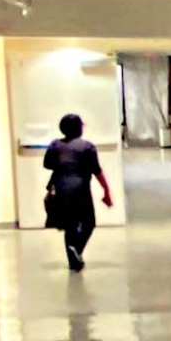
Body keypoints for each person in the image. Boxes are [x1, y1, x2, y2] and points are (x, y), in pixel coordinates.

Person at [42, 110, 114, 272]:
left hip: (61, 188)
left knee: (70, 226)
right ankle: (77, 249)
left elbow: (47, 164)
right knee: (89, 222)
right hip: (81, 189)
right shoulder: (87, 147)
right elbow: (97, 171)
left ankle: (74, 261)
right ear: (79, 128)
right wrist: (106, 191)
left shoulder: (55, 145)